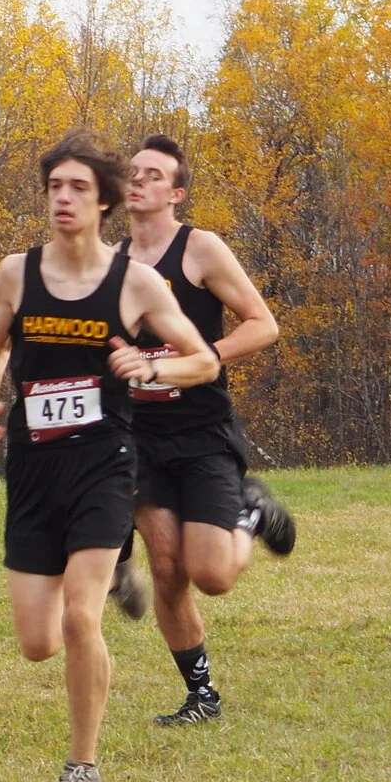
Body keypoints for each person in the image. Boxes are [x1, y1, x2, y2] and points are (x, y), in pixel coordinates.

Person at [0, 135, 220, 782]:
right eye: (55, 185)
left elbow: (204, 359)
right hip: (32, 468)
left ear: (104, 200)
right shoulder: (16, 273)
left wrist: (150, 364)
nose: (63, 197)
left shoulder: (134, 282)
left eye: (78, 187)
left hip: (104, 463)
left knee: (81, 618)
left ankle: (82, 765)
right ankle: (107, 570)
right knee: (38, 641)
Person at [121, 135, 293, 728]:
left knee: (213, 576)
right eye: (132, 173)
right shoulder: (111, 263)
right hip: (140, 436)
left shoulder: (199, 249)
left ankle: (251, 510)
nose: (137, 181)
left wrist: (196, 360)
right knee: (167, 569)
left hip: (202, 431)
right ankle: (203, 696)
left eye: (152, 175)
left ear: (176, 193)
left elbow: (263, 325)